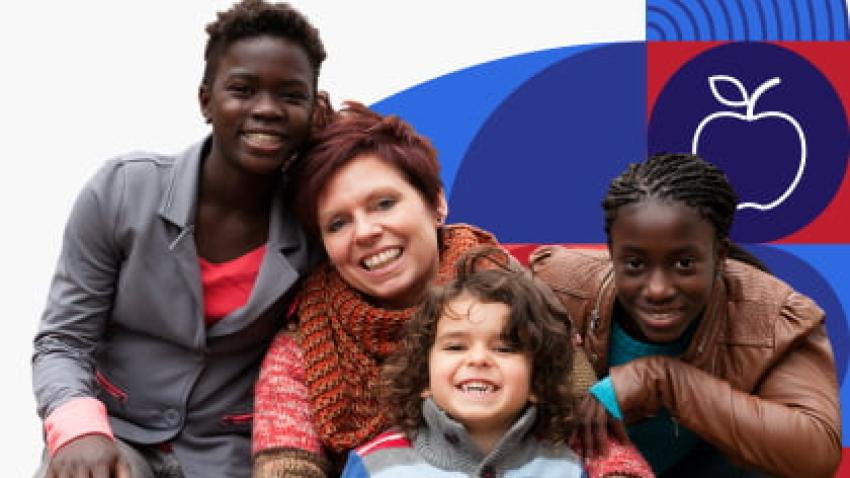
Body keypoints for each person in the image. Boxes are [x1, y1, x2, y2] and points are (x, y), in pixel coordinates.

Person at [252, 103, 652, 477]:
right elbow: (286, 460)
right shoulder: (306, 342)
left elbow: (594, 440)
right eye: (337, 223)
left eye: (384, 203)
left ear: (436, 204)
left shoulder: (515, 299)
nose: (366, 232)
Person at [31, 1, 330, 476]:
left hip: (229, 451)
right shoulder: (123, 190)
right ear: (206, 100)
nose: (267, 109)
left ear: (315, 110)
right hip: (115, 432)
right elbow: (64, 340)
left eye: (291, 96)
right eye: (242, 89)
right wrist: (79, 428)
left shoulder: (319, 225)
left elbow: (390, 206)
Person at [530, 153, 842, 477]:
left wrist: (666, 379)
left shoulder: (773, 320)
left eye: (684, 264)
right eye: (635, 264)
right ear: (612, 254)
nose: (658, 290)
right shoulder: (559, 288)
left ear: (719, 256)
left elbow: (815, 455)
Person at [341, 248, 653, 478]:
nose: (478, 359)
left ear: (537, 382)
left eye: (504, 348)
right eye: (456, 346)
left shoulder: (568, 464)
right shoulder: (375, 464)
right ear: (424, 377)